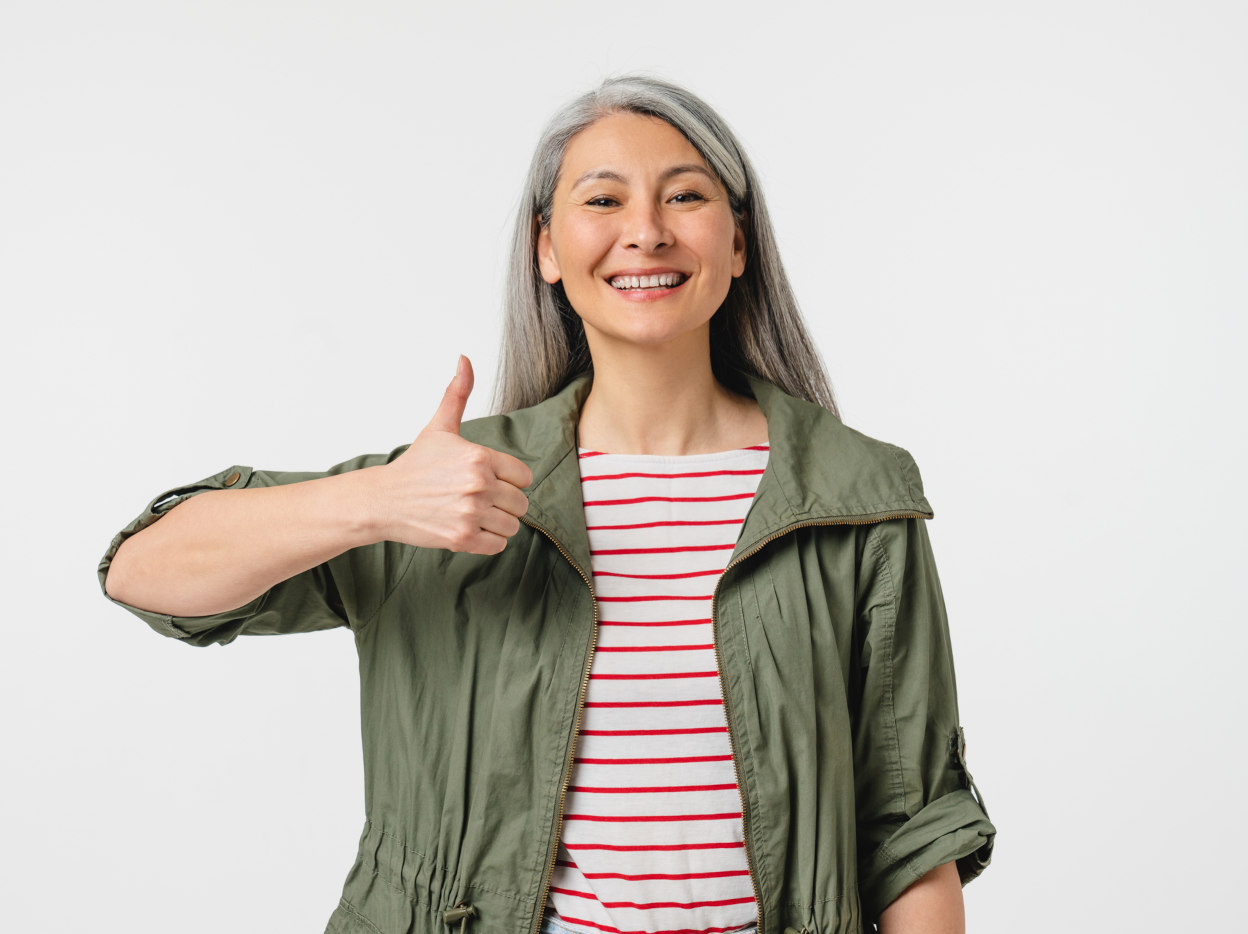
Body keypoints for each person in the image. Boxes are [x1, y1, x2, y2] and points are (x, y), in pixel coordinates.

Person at [98, 73, 995, 934]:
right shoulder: (451, 487)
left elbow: (913, 824)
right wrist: (375, 502)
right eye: (602, 201)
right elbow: (143, 572)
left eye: (684, 197)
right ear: (546, 249)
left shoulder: (852, 498)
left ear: (738, 241)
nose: (644, 233)